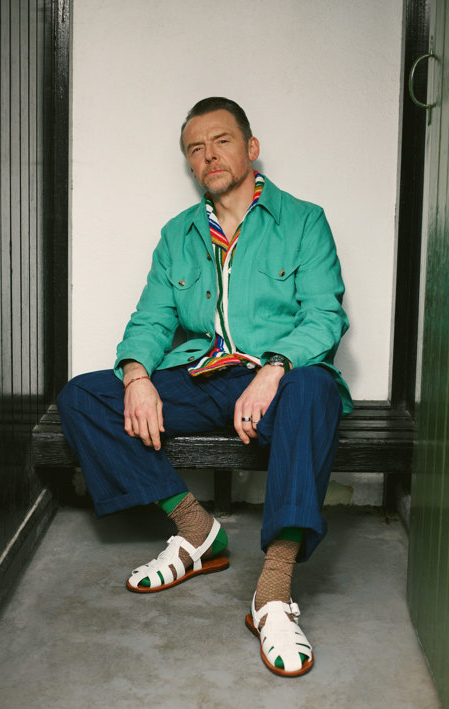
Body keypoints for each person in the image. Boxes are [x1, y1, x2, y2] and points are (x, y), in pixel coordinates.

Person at [57, 97, 352, 677]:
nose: (209, 155)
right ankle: (197, 532)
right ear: (191, 164)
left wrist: (273, 369)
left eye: (221, 141)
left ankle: (272, 593)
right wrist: (137, 376)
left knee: (315, 391)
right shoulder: (178, 234)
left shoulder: (303, 220)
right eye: (196, 148)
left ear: (251, 148)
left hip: (279, 381)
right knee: (82, 397)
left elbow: (325, 315)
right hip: (204, 375)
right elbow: (151, 320)